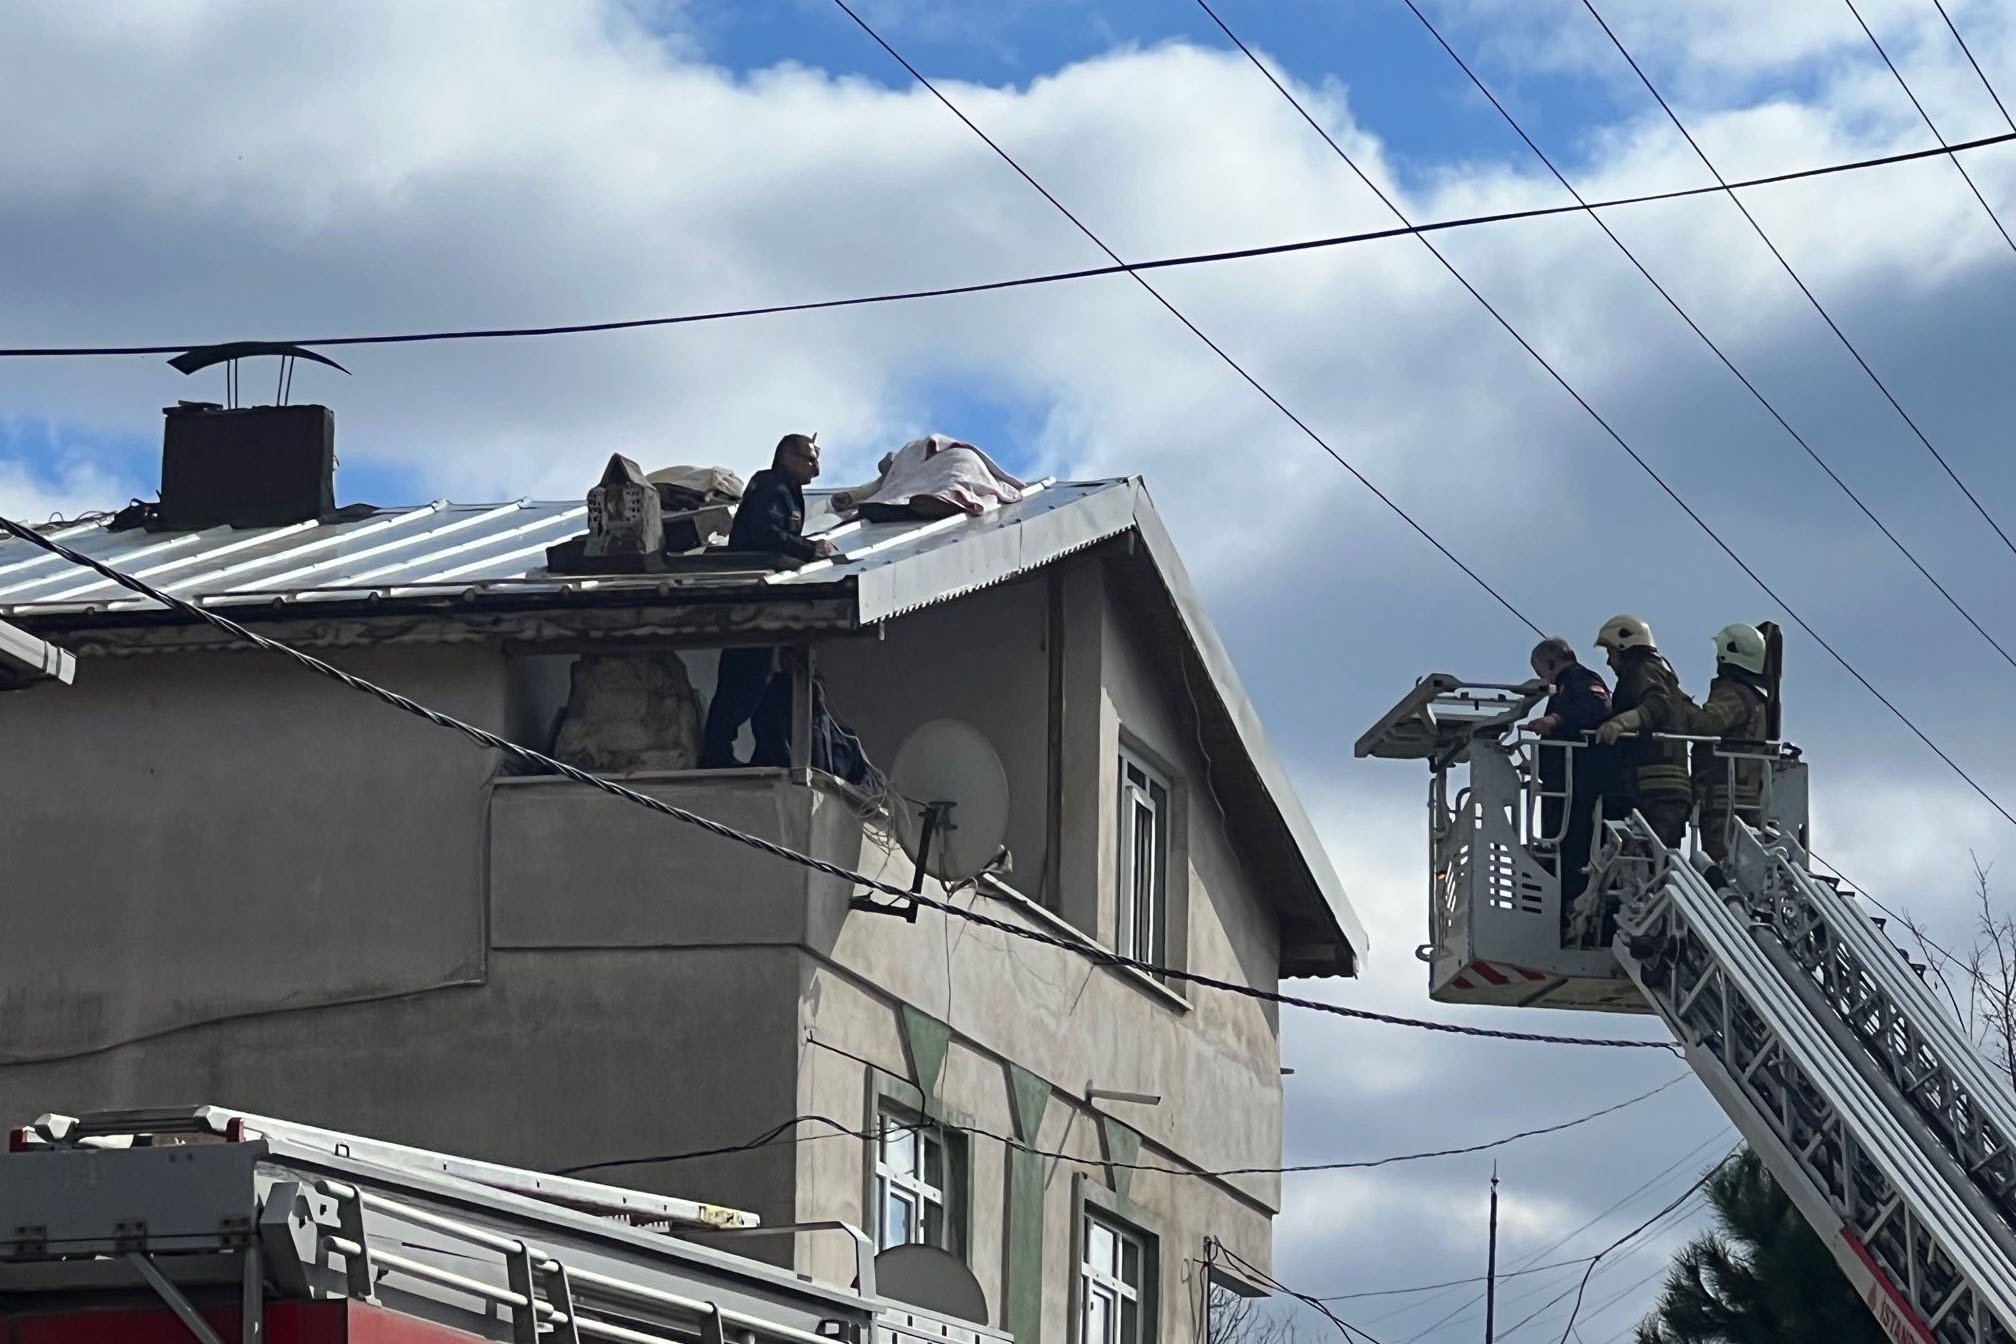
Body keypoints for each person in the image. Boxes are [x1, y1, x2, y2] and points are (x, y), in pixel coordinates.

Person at [700, 434, 839, 769]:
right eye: (809, 460)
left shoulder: (788, 491)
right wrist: (809, 549)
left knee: (762, 679)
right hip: (749, 597)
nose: (816, 469)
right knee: (743, 679)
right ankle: (717, 752)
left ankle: (762, 751)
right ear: (787, 457)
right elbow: (765, 534)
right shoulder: (770, 487)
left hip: (765, 595)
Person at [1521, 636, 1616, 908]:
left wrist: (1555, 720)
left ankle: (1570, 903)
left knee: (1573, 848)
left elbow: (1597, 708)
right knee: (1558, 845)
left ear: (1551, 663)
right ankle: (1562, 902)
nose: (1544, 679)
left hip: (1578, 783)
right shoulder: (1566, 687)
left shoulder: (1581, 680)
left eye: (1542, 671)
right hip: (1561, 783)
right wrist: (1537, 759)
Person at [1680, 623, 1773, 881]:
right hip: (1745, 797)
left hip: (1722, 798)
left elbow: (1707, 725)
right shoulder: (1756, 698)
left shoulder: (1732, 694)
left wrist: (1681, 705)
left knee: (1722, 861)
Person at [1592, 614, 1694, 848]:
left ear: (1624, 647)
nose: (1609, 662)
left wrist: (1620, 723)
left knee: (1649, 864)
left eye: (1611, 653)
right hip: (1662, 791)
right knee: (1656, 863)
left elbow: (1659, 706)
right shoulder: (1662, 674)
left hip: (1657, 792)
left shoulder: (1644, 671)